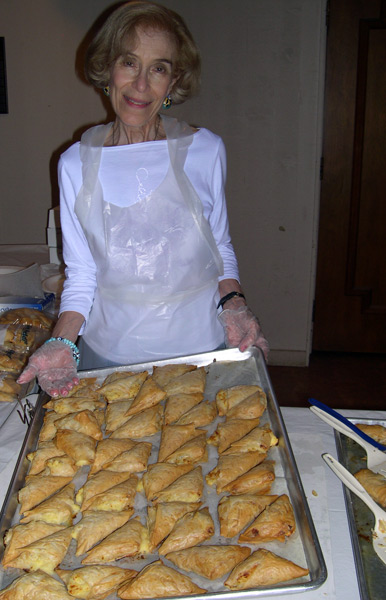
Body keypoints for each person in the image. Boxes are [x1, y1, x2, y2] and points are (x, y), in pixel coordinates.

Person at [18, 0, 268, 397]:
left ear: (173, 82)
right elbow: (82, 273)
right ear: (107, 69)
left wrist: (234, 302)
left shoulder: (204, 151)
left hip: (201, 355)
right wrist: (63, 341)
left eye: (159, 68)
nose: (140, 85)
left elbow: (217, 245)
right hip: (110, 358)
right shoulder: (74, 165)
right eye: (129, 63)